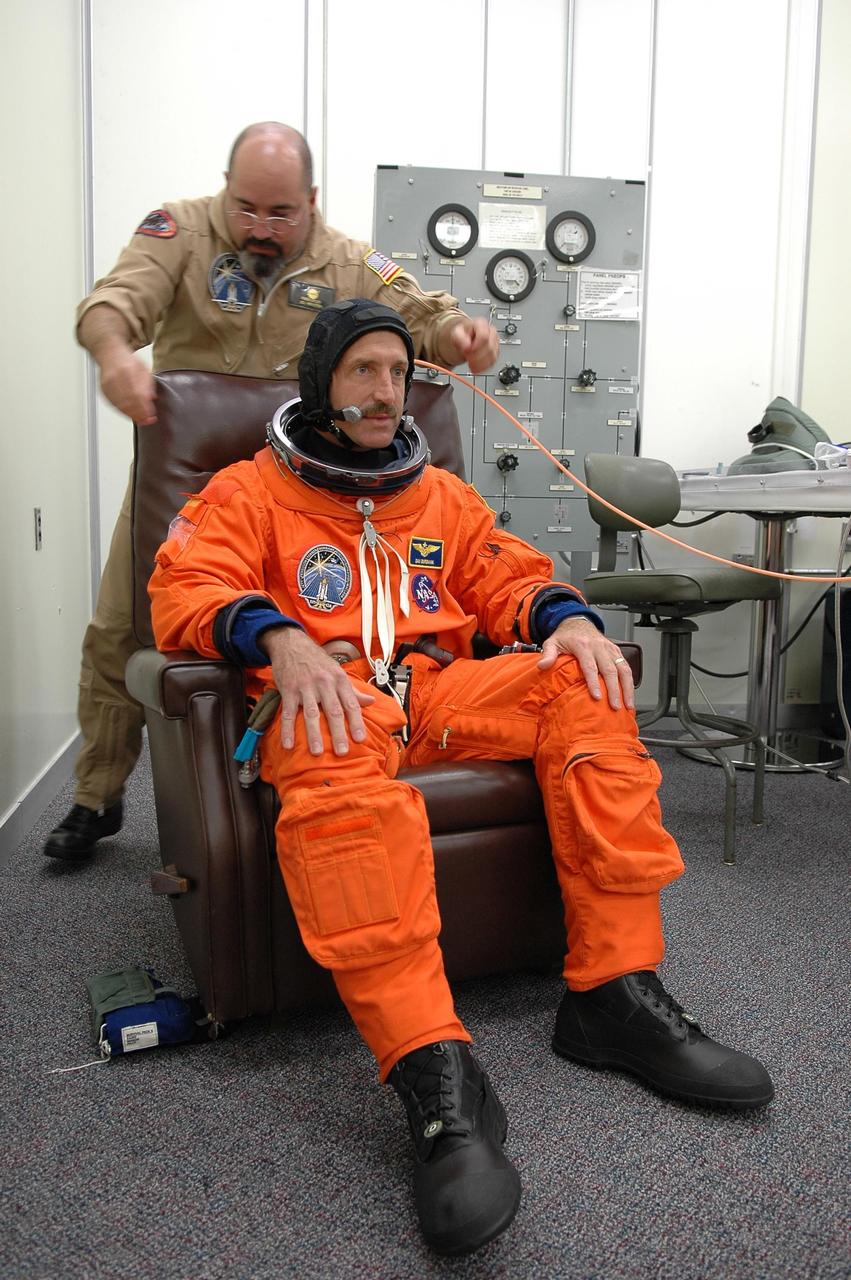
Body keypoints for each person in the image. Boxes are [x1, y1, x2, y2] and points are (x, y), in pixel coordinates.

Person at [148, 299, 774, 1257]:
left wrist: (564, 618)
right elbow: (184, 586)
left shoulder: (437, 494)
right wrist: (276, 635)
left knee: (584, 676)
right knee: (333, 758)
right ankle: (435, 1071)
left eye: (396, 373)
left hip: (437, 696)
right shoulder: (247, 492)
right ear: (320, 384)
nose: (383, 391)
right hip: (334, 709)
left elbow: (506, 576)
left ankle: (614, 992)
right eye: (361, 370)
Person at [45, 122, 499, 861]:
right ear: (225, 189)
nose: (260, 227)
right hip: (188, 469)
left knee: (323, 625)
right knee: (122, 626)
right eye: (246, 207)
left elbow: (422, 314)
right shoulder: (179, 231)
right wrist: (114, 351)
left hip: (310, 482)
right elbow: (112, 302)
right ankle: (96, 797)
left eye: (280, 213)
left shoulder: (351, 258)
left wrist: (460, 335)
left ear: (312, 202)